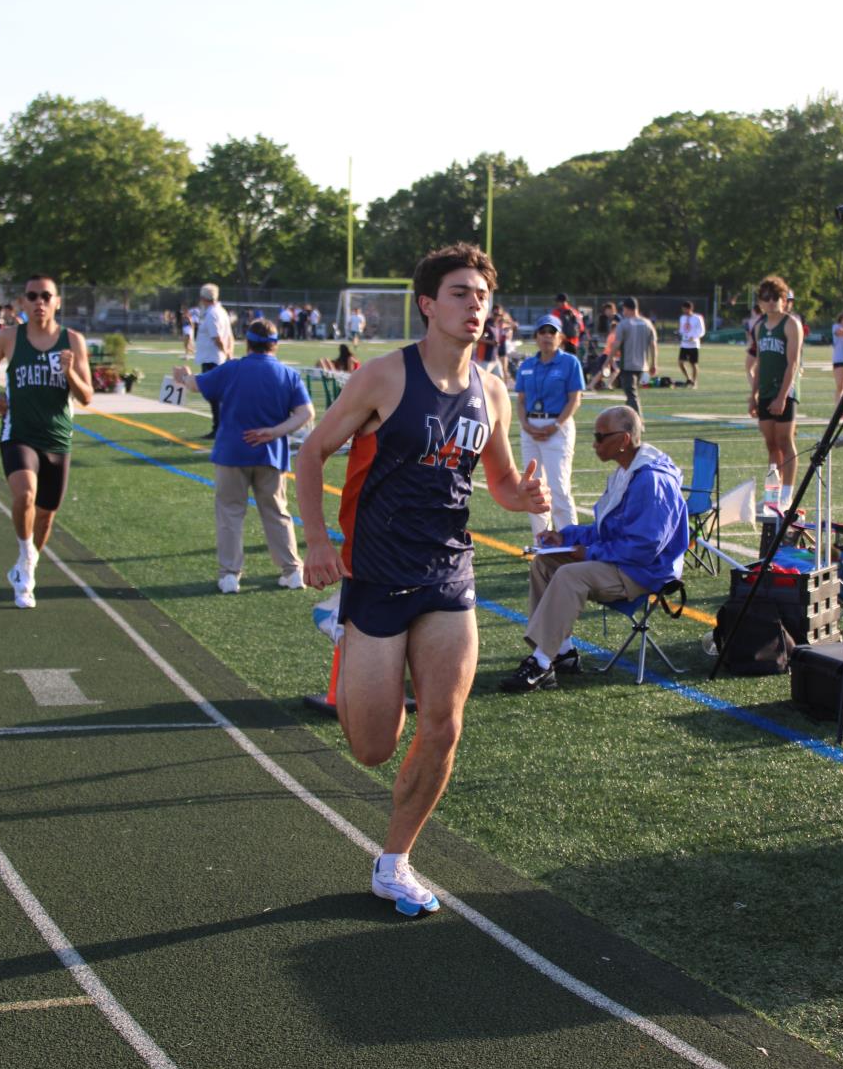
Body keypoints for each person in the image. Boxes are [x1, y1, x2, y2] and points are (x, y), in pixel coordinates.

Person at [295, 242, 550, 917]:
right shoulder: (384, 377)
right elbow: (312, 452)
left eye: (483, 296)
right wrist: (316, 540)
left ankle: (394, 862)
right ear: (428, 305)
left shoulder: (492, 390)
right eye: (461, 293)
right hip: (377, 574)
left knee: (443, 724)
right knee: (373, 747)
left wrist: (522, 496)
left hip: (447, 573)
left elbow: (499, 481)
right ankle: (349, 639)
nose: (475, 306)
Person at [499, 405, 688, 692]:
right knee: (545, 563)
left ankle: (541, 663)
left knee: (570, 575)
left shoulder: (651, 481)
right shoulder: (628, 471)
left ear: (623, 440)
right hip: (626, 561)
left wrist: (589, 553)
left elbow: (644, 548)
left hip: (645, 572)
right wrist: (564, 537)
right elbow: (605, 530)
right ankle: (562, 652)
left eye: (600, 437)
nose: (594, 443)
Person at [173, 319, 312, 593]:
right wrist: (274, 432)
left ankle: (230, 575)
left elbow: (195, 385)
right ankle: (292, 571)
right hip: (271, 453)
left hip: (232, 453)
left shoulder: (232, 368)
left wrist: (183, 376)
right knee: (277, 513)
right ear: (275, 344)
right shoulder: (288, 374)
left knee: (230, 514)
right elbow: (306, 413)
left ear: (247, 342)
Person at [0, 274, 93, 609]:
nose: (39, 302)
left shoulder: (73, 341)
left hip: (57, 439)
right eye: (32, 296)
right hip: (19, 433)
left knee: (45, 515)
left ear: (57, 302)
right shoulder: (9, 337)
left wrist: (69, 373)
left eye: (46, 296)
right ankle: (26, 560)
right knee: (25, 495)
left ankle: (25, 566)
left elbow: (86, 396)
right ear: (23, 303)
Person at [514, 312, 585, 537]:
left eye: (551, 332)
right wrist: (525, 425)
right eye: (542, 332)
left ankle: (569, 541)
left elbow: (575, 399)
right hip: (530, 429)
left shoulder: (569, 362)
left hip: (557, 427)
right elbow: (521, 400)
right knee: (534, 487)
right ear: (536, 336)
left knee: (559, 487)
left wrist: (555, 426)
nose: (546, 336)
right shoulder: (527, 364)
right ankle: (542, 541)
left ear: (560, 337)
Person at [748, 274, 803, 510]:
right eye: (766, 298)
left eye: (775, 297)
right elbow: (760, 363)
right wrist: (753, 395)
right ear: (760, 301)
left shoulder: (790, 324)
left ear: (783, 299)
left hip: (785, 391)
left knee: (784, 441)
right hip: (766, 390)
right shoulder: (759, 326)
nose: (771, 302)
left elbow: (793, 363)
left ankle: (787, 495)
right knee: (771, 444)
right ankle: (772, 495)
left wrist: (782, 396)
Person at [193, 282, 232, 439]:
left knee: (213, 395)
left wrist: (225, 353)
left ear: (203, 298)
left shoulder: (212, 314)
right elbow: (228, 336)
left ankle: (219, 427)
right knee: (216, 395)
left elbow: (217, 338)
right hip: (214, 357)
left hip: (212, 359)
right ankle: (220, 426)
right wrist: (228, 353)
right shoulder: (220, 311)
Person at [613, 296, 657, 413]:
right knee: (632, 395)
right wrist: (654, 363)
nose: (623, 311)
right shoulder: (647, 323)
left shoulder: (624, 324)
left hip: (627, 365)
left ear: (627, 308)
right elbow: (653, 345)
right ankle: (630, 418)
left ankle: (638, 420)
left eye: (623, 309)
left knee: (631, 395)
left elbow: (616, 344)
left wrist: (608, 360)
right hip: (642, 366)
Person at [677, 301, 706, 388]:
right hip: (684, 344)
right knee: (680, 363)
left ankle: (694, 382)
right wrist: (679, 334)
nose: (684, 311)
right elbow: (681, 329)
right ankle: (688, 379)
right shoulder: (682, 318)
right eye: (683, 309)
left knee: (693, 364)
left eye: (685, 309)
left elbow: (702, 331)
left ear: (690, 309)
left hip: (693, 345)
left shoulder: (697, 318)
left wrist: (695, 337)